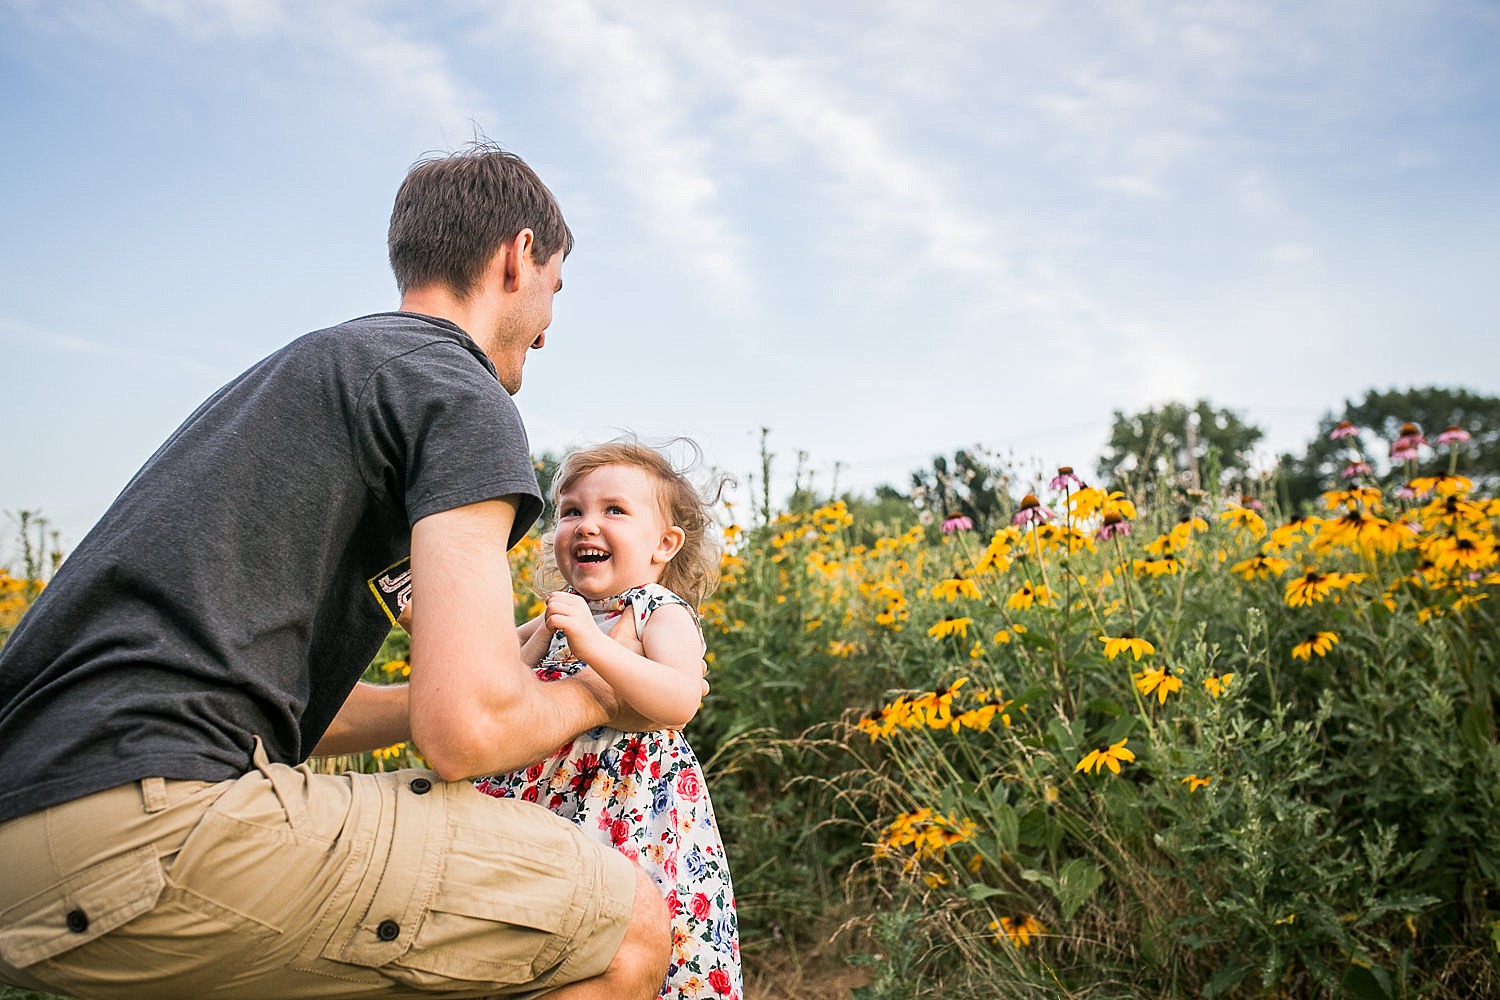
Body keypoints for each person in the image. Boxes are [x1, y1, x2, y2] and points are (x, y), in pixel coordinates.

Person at [0, 143, 671, 999]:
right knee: (625, 927)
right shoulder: (459, 392)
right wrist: (603, 693)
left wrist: (502, 660)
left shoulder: (311, 371)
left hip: (29, 827)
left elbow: (272, 693)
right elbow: (467, 735)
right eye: (556, 289)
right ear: (519, 256)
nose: (550, 323)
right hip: (154, 828)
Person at [474, 440, 741, 1000]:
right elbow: (498, 683)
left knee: (628, 944)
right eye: (572, 511)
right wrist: (544, 633)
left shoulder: (659, 612)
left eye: (613, 510)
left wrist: (593, 644)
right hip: (548, 802)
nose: (586, 524)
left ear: (663, 545)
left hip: (629, 810)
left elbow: (678, 699)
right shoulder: (561, 611)